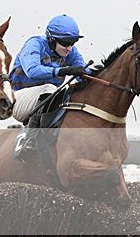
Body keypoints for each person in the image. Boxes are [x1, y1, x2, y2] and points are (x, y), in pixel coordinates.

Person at [10, 14, 91, 159]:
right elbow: (32, 71)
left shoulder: (71, 52)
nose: (69, 48)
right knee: (50, 89)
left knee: (71, 94)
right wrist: (64, 70)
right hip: (18, 100)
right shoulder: (34, 44)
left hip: (47, 101)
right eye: (65, 43)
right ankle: (30, 138)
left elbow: (84, 74)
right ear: (51, 39)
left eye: (73, 42)